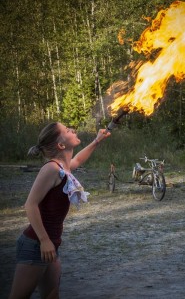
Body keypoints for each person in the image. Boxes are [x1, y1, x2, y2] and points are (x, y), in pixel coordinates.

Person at [9, 122, 110, 299]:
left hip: (52, 244)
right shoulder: (51, 168)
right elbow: (30, 205)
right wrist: (44, 240)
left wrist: (97, 141)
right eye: (66, 130)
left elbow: (77, 160)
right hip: (36, 244)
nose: (72, 129)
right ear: (61, 145)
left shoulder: (64, 168)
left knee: (51, 295)